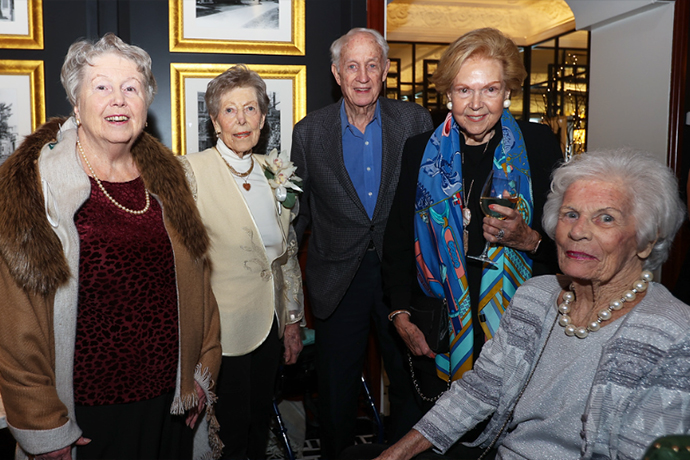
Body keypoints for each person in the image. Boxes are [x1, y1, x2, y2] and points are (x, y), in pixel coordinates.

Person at [375, 147, 690, 460]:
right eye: (570, 214)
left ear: (647, 240)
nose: (578, 232)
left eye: (605, 218)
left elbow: (641, 453)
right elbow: (479, 390)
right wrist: (396, 454)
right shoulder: (534, 297)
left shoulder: (673, 335)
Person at [0, 33, 222, 460]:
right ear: (77, 104)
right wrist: (44, 426)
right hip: (84, 413)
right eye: (101, 86)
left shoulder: (172, 179)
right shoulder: (33, 186)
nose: (118, 100)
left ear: (145, 102)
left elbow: (201, 286)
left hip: (170, 403)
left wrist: (201, 370)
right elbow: (15, 325)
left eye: (131, 88)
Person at [382, 28, 562, 413]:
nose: (476, 104)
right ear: (448, 95)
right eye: (464, 90)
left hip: (515, 327)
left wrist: (529, 240)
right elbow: (397, 239)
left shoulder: (538, 145)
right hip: (438, 329)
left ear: (508, 93)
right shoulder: (419, 151)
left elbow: (569, 248)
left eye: (490, 90)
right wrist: (399, 313)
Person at [291, 27, 434, 459]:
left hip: (401, 279)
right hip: (337, 278)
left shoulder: (414, 122)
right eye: (352, 66)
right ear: (336, 73)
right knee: (335, 392)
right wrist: (282, 291)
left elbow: (429, 205)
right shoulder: (309, 132)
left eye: (372, 64)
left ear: (386, 70)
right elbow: (300, 216)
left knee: (410, 383)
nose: (362, 75)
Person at [180, 64, 304, 460]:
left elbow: (285, 254)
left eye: (250, 109)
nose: (241, 120)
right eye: (230, 111)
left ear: (264, 118)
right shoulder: (192, 172)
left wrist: (291, 321)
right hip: (220, 331)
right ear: (214, 121)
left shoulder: (273, 172)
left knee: (257, 426)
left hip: (268, 325)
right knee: (227, 433)